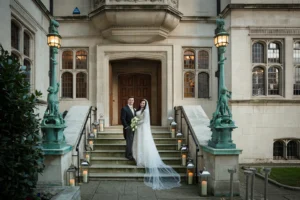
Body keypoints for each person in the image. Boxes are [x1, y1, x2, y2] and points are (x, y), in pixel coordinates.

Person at [132, 99, 181, 190]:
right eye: (141, 103)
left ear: (146, 104)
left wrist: (136, 122)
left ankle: (143, 160)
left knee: (143, 143)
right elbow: (137, 117)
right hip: (138, 129)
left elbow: (145, 121)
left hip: (142, 129)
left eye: (143, 103)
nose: (142, 104)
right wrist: (135, 122)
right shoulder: (138, 110)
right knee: (138, 143)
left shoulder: (146, 112)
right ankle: (138, 158)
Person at [120, 96, 136, 161]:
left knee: (132, 142)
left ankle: (129, 154)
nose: (131, 101)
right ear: (128, 101)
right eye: (130, 100)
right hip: (128, 128)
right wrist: (126, 126)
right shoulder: (124, 108)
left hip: (134, 128)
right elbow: (122, 118)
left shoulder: (134, 109)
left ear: (133, 101)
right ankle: (129, 156)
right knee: (129, 142)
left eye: (132, 100)